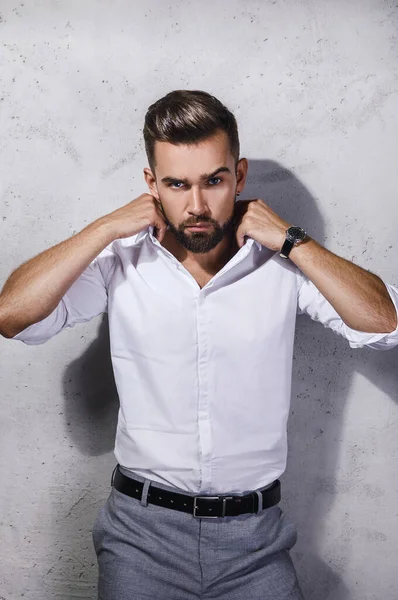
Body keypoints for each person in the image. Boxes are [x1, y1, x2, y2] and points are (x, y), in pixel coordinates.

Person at [1, 89, 397, 600]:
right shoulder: (121, 262)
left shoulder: (280, 265)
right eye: (176, 184)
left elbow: (385, 324)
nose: (197, 206)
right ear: (151, 184)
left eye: (214, 180)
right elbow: (12, 316)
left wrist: (293, 240)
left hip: (256, 544)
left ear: (240, 174)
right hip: (140, 539)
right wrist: (104, 228)